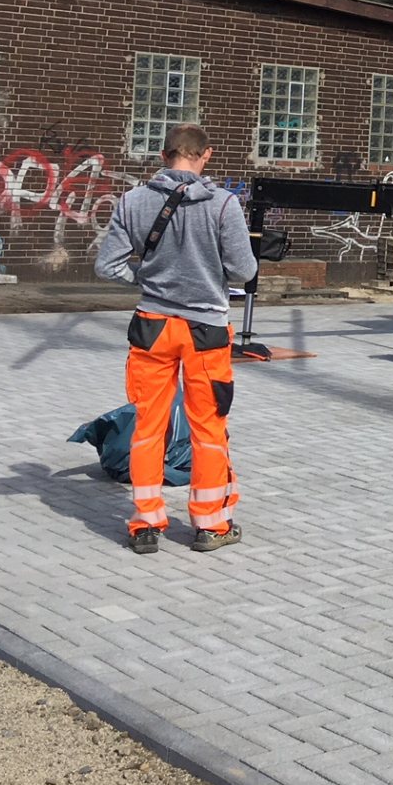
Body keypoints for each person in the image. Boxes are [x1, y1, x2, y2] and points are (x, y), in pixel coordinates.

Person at [95, 123, 256, 555]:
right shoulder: (224, 205)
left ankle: (146, 523)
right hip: (205, 330)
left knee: (148, 426)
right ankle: (211, 525)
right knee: (208, 429)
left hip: (152, 325)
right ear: (206, 156)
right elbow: (244, 271)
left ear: (164, 155)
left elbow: (107, 266)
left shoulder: (131, 201)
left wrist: (147, 281)